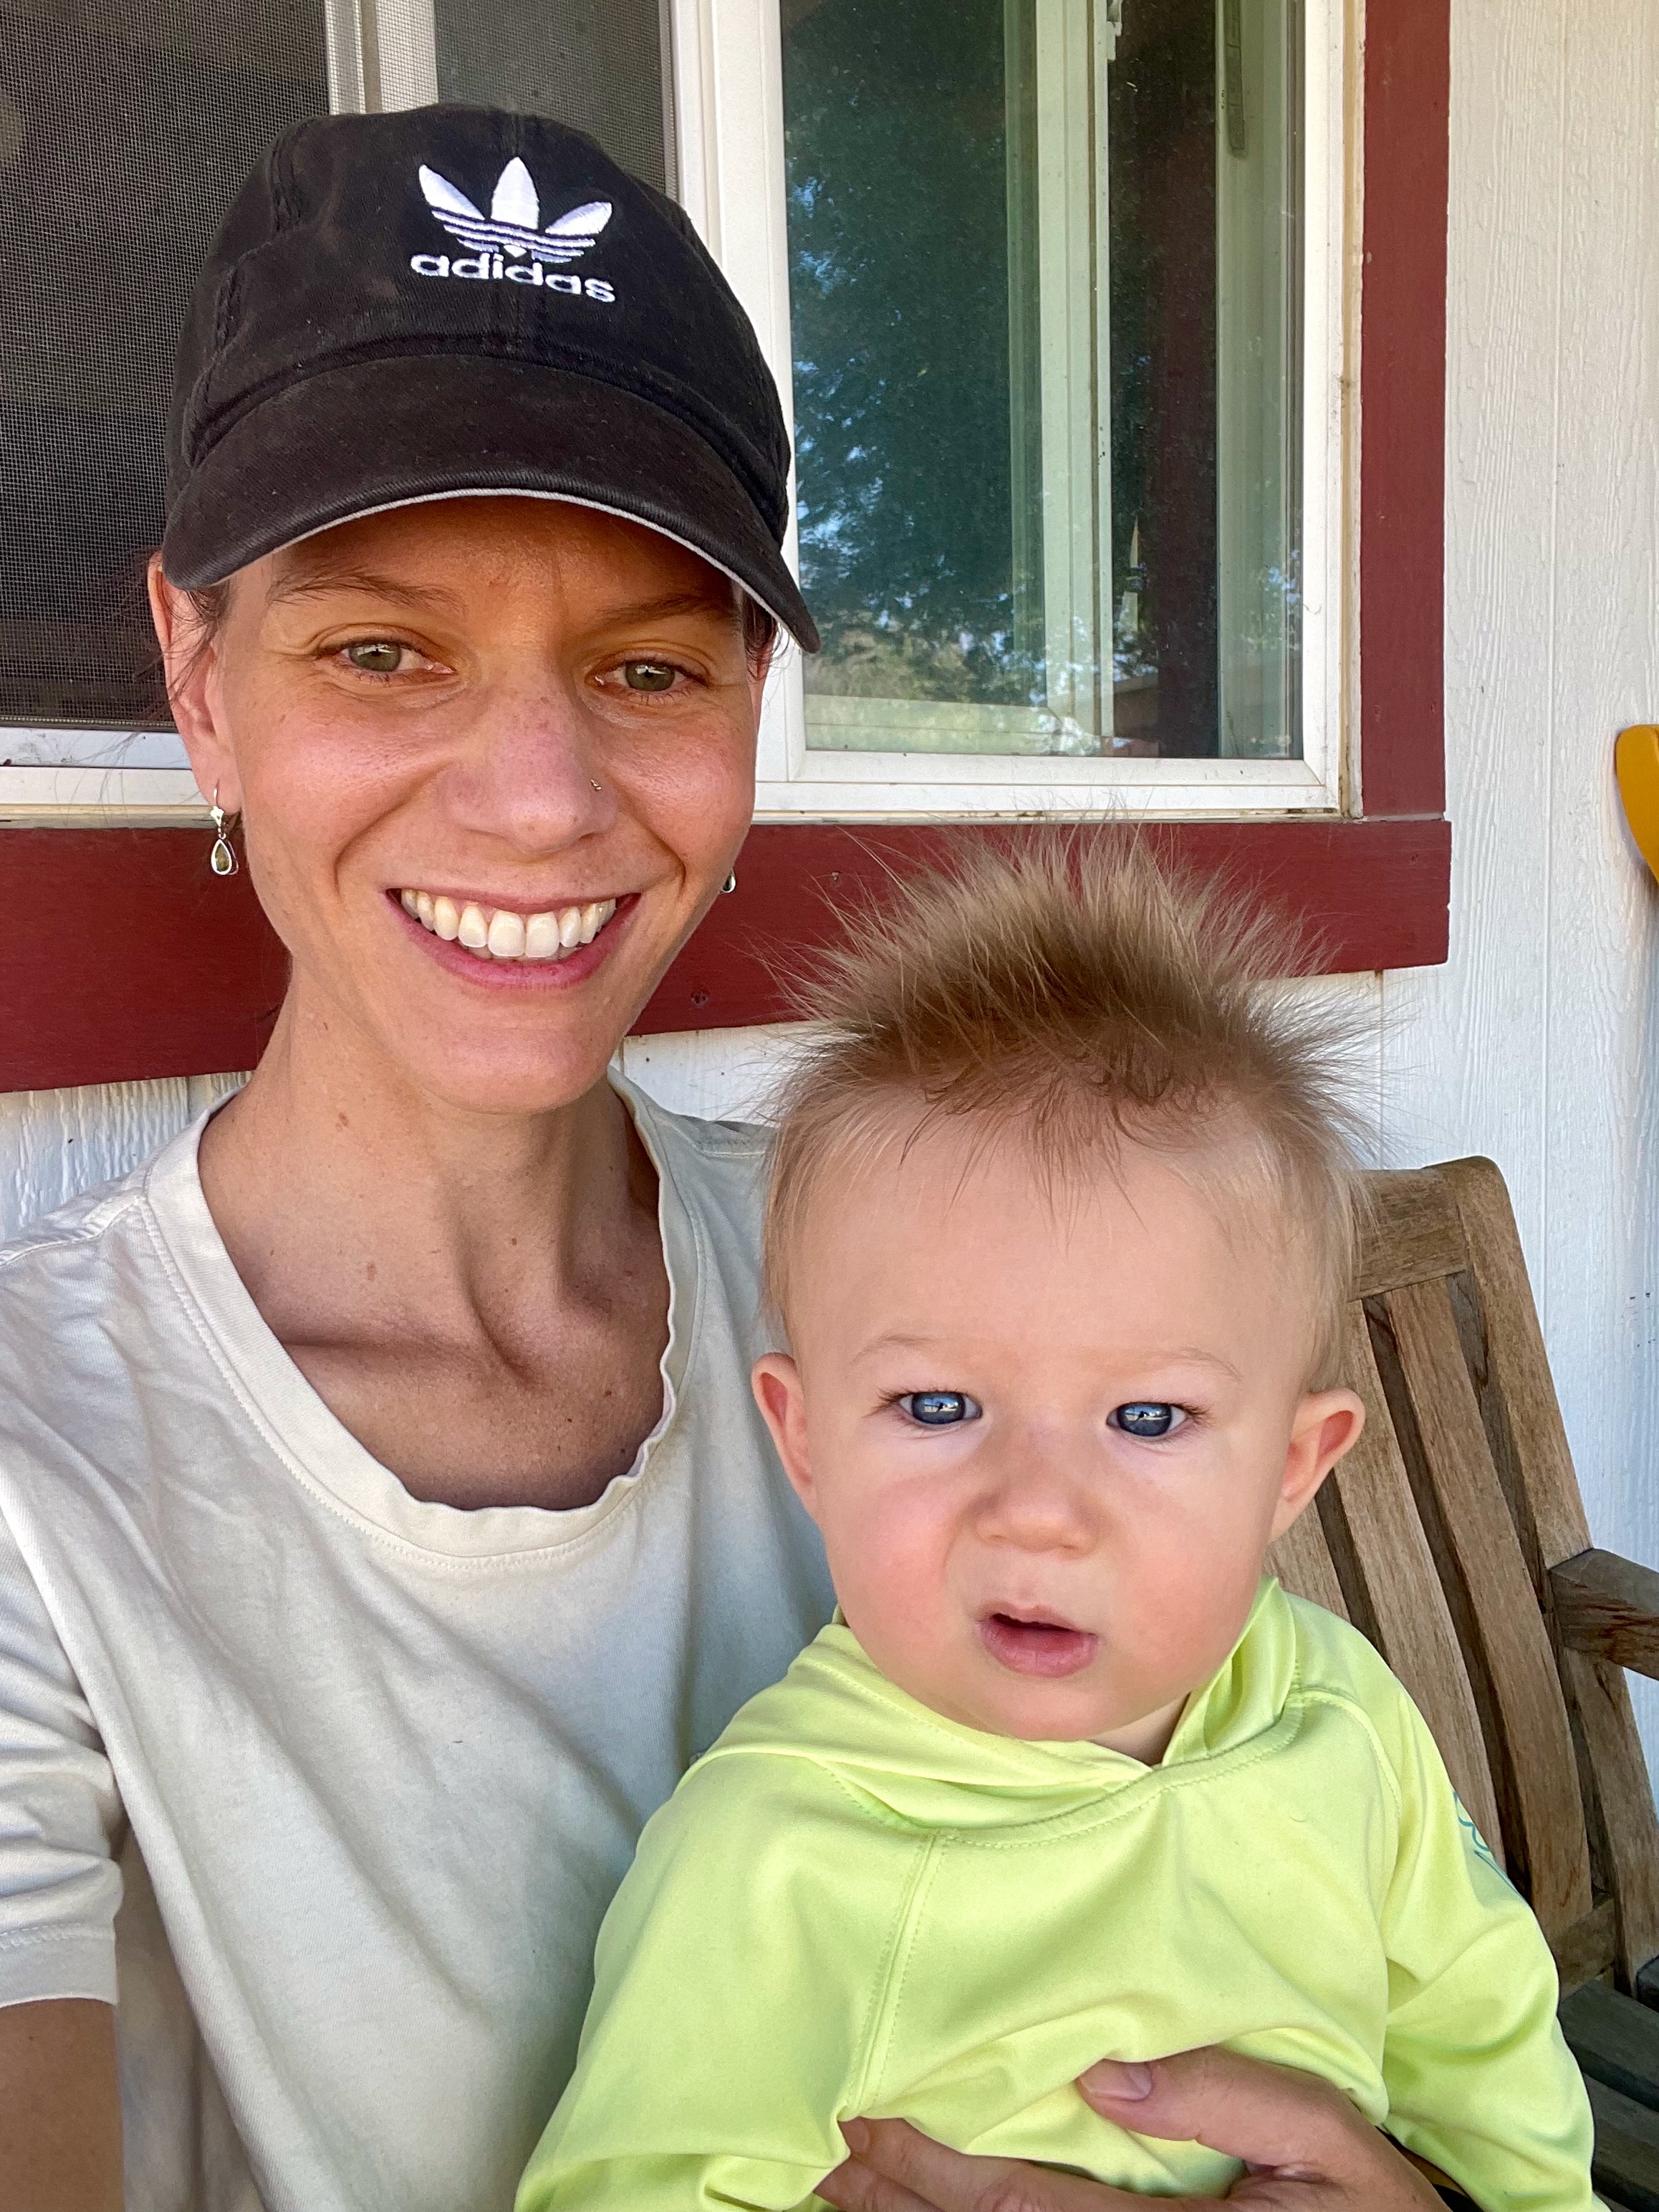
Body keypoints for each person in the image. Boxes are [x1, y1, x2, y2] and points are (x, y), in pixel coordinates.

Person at [0, 103, 1449, 2212]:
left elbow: (1301, 1911)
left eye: (648, 665)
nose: (533, 798)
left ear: (751, 700)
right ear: (198, 681)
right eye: (381, 650)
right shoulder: (46, 1476)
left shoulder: (952, 1272)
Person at [517, 848, 1594, 2212]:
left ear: (1292, 1467)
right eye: (938, 1403)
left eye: (1147, 1419)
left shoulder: (1343, 1712)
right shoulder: (778, 1854)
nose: (1035, 1509)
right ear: (806, 1443)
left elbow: (1486, 2041)